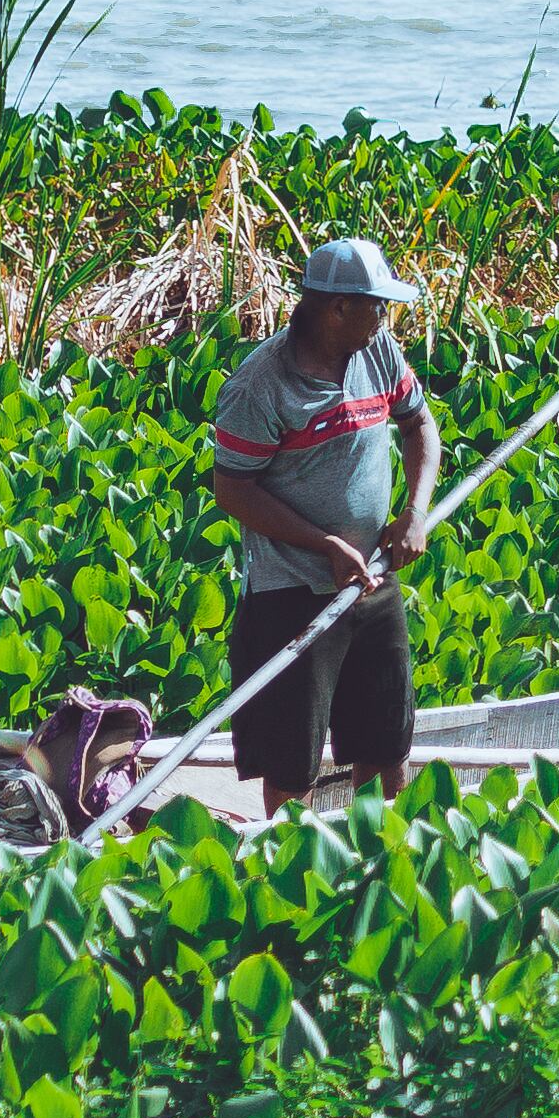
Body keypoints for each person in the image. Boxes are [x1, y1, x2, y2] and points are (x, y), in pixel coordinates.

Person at [203, 237, 440, 811]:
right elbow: (231, 488)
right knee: (293, 761)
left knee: (387, 747)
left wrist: (414, 512)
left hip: (374, 580)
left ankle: (387, 864)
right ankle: (292, 878)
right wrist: (324, 544)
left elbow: (420, 430)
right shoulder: (262, 385)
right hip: (295, 593)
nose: (386, 315)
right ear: (336, 308)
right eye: (376, 304)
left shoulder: (378, 349)